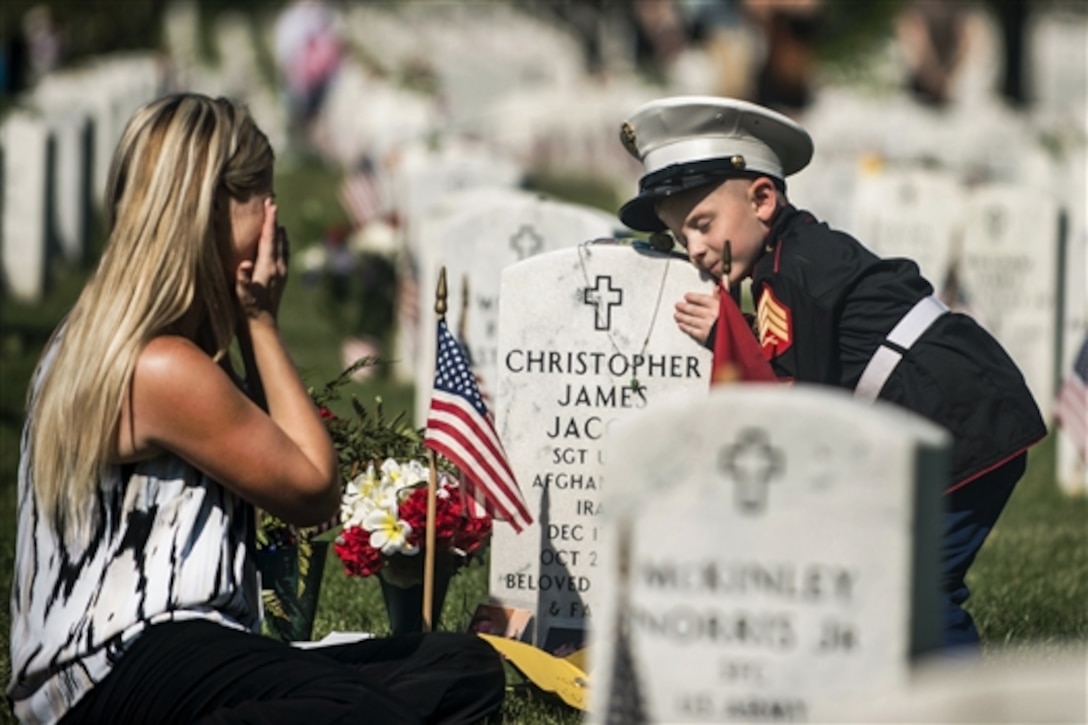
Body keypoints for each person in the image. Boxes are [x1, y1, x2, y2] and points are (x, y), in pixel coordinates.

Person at [7, 92, 505, 724]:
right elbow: (312, 491)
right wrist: (260, 320)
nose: (277, 221)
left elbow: (290, 468)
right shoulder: (158, 366)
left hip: (185, 659)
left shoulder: (138, 345)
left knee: (458, 669)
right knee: (358, 710)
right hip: (118, 665)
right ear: (207, 212)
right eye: (263, 199)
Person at [615, 95, 1047, 651]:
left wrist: (729, 336)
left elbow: (803, 411)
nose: (696, 250)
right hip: (956, 408)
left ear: (763, 198)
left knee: (915, 588)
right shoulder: (791, 256)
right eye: (682, 238)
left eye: (703, 224)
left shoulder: (793, 276)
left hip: (962, 422)